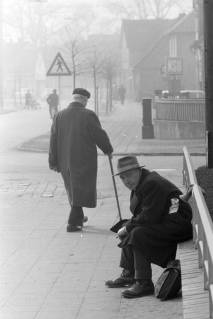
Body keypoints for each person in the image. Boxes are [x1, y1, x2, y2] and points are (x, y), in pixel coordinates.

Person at [105, 155, 193, 299]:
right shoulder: (142, 182)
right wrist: (126, 227)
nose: (126, 181)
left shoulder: (151, 183)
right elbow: (145, 214)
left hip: (177, 224)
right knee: (129, 227)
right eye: (122, 178)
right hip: (166, 220)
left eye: (129, 175)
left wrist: (127, 228)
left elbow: (149, 216)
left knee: (138, 233)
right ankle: (129, 273)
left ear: (138, 170)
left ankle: (144, 282)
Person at [48, 88, 113, 232]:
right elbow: (98, 135)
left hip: (65, 160)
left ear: (73, 98)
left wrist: (53, 161)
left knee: (72, 187)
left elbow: (53, 139)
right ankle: (73, 223)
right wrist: (108, 149)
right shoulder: (88, 115)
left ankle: (79, 216)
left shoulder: (59, 115)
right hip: (84, 158)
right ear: (84, 100)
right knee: (80, 188)